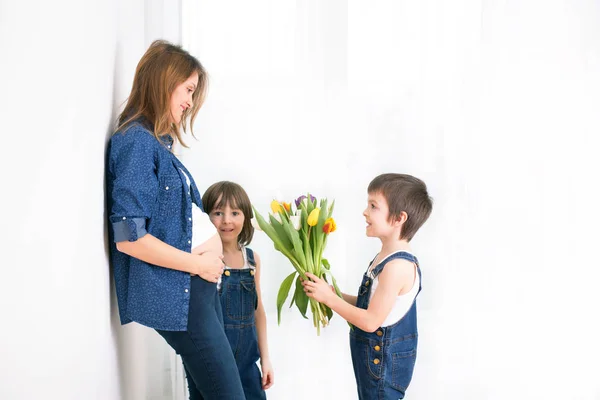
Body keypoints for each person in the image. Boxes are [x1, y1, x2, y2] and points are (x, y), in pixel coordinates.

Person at [106, 39, 245, 399]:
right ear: (164, 81)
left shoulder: (154, 143)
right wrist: (197, 266)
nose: (189, 101)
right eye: (187, 90)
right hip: (186, 293)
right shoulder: (136, 142)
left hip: (196, 290)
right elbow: (129, 237)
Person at [302, 173, 433, 399]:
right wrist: (334, 294)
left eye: (373, 206)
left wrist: (329, 299)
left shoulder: (398, 266)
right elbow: (370, 306)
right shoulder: (385, 256)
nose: (365, 212)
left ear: (399, 218)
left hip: (382, 369)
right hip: (373, 365)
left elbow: (371, 321)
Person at [199, 181, 275, 399]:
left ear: (246, 217)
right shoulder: (204, 260)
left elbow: (258, 311)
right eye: (217, 213)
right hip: (215, 362)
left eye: (235, 212)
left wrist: (266, 358)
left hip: (248, 364)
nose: (226, 220)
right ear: (207, 217)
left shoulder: (252, 260)